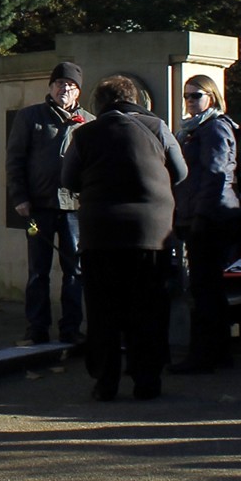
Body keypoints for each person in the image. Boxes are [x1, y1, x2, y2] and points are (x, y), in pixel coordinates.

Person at [60, 75, 188, 402]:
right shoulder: (157, 128)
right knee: (148, 308)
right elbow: (181, 171)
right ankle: (147, 380)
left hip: (100, 233)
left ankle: (106, 381)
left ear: (100, 104)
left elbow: (68, 177)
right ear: (136, 99)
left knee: (104, 310)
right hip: (152, 234)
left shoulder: (85, 133)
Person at [6, 61, 89, 347]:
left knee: (74, 270)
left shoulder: (89, 122)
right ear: (50, 87)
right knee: (38, 271)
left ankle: (71, 328)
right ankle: (37, 327)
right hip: (39, 206)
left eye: (70, 85)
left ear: (78, 91)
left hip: (74, 209)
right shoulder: (30, 117)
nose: (63, 89)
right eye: (59, 84)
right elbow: (15, 160)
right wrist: (20, 197)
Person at [172, 75, 241, 374]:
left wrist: (200, 215)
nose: (190, 101)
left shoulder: (214, 127)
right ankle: (218, 352)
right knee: (208, 287)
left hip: (211, 218)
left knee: (204, 288)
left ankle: (204, 355)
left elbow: (215, 175)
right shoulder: (195, 129)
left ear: (211, 97)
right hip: (202, 214)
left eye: (196, 95)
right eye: (186, 95)